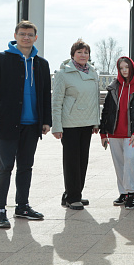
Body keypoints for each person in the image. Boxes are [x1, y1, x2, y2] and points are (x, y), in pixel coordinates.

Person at [0, 21, 51, 228]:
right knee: (5, 167)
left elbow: (45, 95)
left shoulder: (42, 64)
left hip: (32, 125)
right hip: (6, 124)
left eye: (30, 34)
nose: (26, 37)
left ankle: (22, 206)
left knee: (26, 167)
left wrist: (46, 120)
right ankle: (0, 210)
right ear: (15, 36)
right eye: (22, 34)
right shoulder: (0, 59)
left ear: (35, 38)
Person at [52, 40, 100, 210]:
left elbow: (95, 100)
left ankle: (73, 193)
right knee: (71, 161)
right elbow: (56, 101)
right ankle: (73, 197)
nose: (83, 55)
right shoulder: (63, 73)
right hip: (70, 124)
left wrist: (96, 122)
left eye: (86, 52)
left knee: (82, 160)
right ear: (72, 55)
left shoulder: (93, 73)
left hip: (87, 123)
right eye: (79, 52)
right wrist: (56, 126)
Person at [100, 57, 134, 210]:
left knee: (130, 159)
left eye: (127, 67)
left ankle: (131, 193)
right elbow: (106, 111)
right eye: (121, 68)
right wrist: (103, 133)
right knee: (119, 163)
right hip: (114, 133)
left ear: (132, 68)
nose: (124, 70)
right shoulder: (113, 87)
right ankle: (123, 193)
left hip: (132, 134)